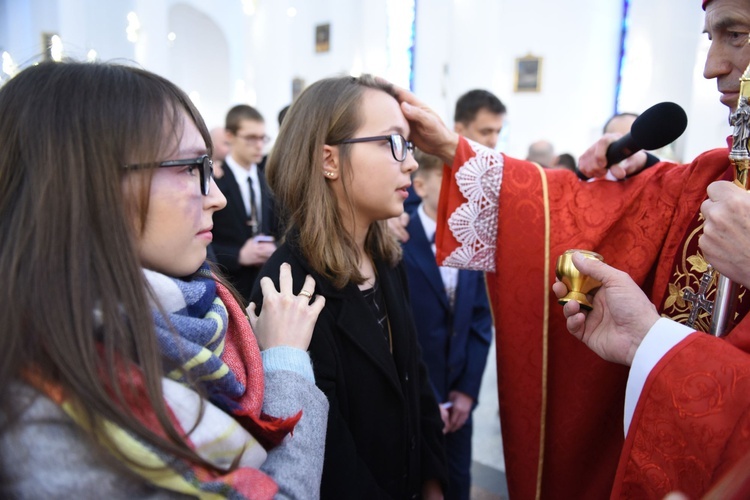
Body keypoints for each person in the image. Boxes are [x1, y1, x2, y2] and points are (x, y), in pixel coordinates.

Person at [386, 0, 750, 497]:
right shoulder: (713, 178)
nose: (713, 67)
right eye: (711, 39)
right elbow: (571, 210)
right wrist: (454, 149)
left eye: (735, 35)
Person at [0, 61, 328, 499]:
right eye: (192, 167)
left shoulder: (206, 312)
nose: (218, 197)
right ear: (88, 183)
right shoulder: (43, 412)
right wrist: (286, 362)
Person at [250, 75, 447, 499]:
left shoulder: (387, 258)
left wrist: (432, 480)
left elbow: (415, 376)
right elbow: (328, 456)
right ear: (329, 160)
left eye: (409, 146)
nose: (410, 162)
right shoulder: (287, 288)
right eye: (393, 143)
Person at [402, 150, 493, 500]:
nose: (462, 191)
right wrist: (429, 401)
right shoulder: (397, 238)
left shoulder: (473, 239)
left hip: (458, 397)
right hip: (416, 397)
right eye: (450, 181)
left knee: (457, 483)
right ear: (420, 186)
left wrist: (467, 392)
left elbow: (480, 321)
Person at [398, 89, 507, 239]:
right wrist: (392, 218)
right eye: (485, 132)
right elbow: (406, 204)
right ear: (459, 130)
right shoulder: (430, 162)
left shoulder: (499, 171)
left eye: (498, 132)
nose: (494, 141)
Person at [212, 105, 279, 300]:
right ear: (229, 136)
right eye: (251, 138)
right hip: (229, 288)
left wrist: (273, 247)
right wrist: (239, 255)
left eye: (263, 138)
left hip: (264, 288)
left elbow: (280, 228)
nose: (259, 145)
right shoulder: (216, 181)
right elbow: (204, 243)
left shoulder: (268, 179)